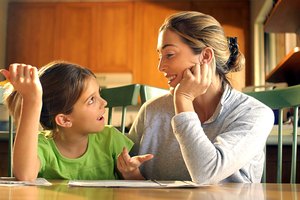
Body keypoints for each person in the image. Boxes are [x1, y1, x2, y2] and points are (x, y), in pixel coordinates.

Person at [118, 11, 274, 184]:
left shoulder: (255, 114)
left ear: (205, 56)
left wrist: (183, 100)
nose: (160, 66)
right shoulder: (150, 111)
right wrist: (132, 175)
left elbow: (206, 174)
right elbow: (129, 178)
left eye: (169, 54)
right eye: (159, 56)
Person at [0, 61, 152, 181]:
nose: (104, 102)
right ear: (64, 120)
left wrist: (131, 174)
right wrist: (32, 101)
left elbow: (138, 187)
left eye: (99, 94)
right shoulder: (43, 146)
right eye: (91, 100)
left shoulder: (111, 138)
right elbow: (25, 176)